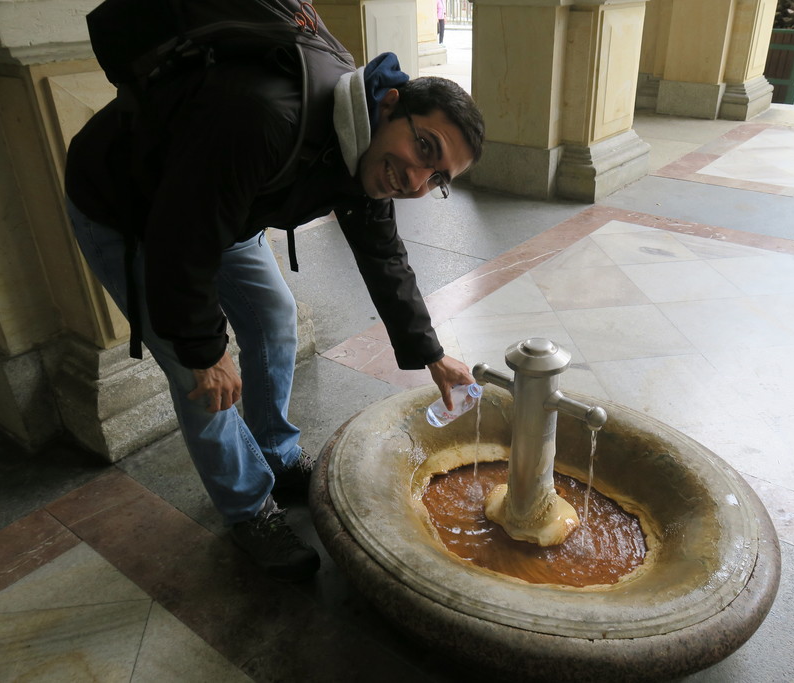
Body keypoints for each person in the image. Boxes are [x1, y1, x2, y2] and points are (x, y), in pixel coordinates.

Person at [64, 48, 485, 582]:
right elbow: (181, 239)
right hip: (130, 209)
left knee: (274, 317)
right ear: (390, 104)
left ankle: (277, 454)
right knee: (201, 379)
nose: (417, 180)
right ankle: (248, 508)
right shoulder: (265, 117)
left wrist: (432, 354)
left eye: (437, 177)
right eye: (424, 147)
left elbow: (383, 255)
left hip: (222, 206)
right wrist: (205, 352)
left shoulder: (368, 149)